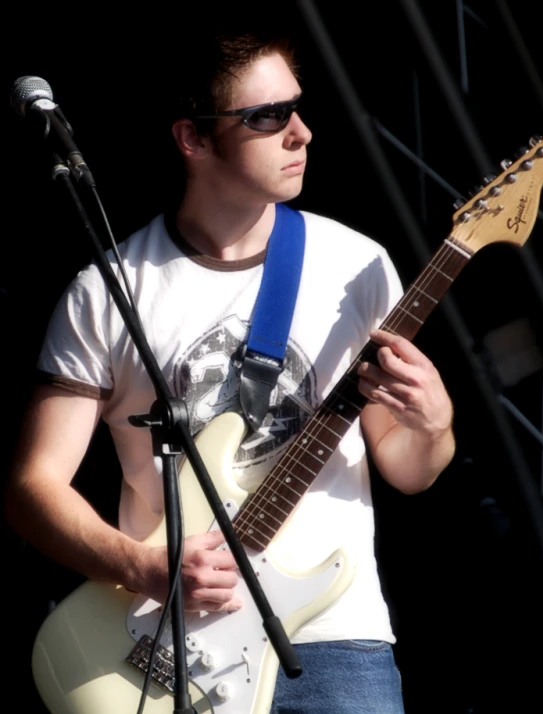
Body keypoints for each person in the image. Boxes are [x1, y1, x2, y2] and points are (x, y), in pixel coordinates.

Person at [5, 26, 455, 714]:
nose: (300, 132)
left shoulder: (357, 267)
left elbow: (408, 469)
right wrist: (144, 568)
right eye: (268, 117)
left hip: (337, 636)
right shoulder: (107, 292)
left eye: (299, 108)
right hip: (169, 637)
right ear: (194, 139)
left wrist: (434, 424)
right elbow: (33, 488)